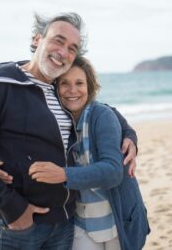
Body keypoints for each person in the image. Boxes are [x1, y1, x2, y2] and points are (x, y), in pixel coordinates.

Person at [0, 12, 138, 250]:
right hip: (21, 226)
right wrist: (14, 209)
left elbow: (98, 108)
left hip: (67, 223)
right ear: (38, 39)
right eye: (58, 40)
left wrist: (129, 134)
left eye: (73, 48)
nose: (64, 52)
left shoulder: (58, 89)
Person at [27, 56, 150, 249]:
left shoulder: (101, 115)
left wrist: (63, 174)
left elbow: (113, 172)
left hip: (118, 220)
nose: (73, 90)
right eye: (64, 83)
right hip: (82, 221)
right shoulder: (56, 121)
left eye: (79, 83)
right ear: (55, 87)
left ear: (89, 86)